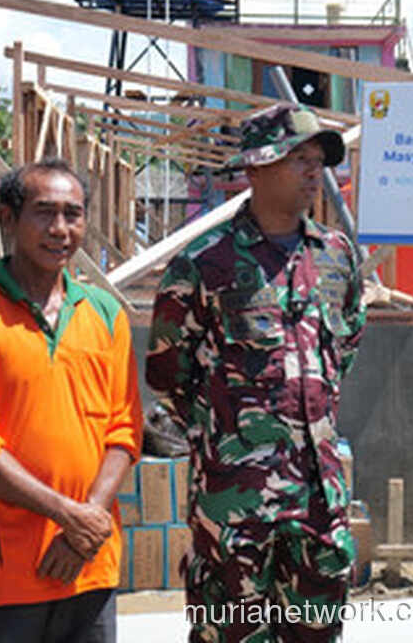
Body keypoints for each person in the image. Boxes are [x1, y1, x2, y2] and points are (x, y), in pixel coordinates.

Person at [147, 103, 366, 642]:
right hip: (236, 504)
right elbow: (168, 373)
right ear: (256, 167)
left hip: (319, 502)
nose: (314, 172)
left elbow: (343, 348)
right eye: (299, 159)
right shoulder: (203, 263)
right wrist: (230, 437)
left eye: (318, 160)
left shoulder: (337, 255)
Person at [0, 158, 142, 643]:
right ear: (8, 218)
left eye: (74, 214)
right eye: (45, 212)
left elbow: (125, 429)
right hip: (0, 574)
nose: (60, 229)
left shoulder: (105, 313)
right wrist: (69, 515)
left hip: (89, 566)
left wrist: (84, 527)